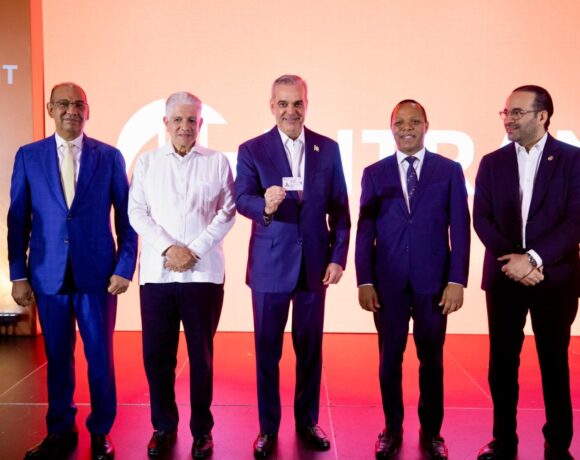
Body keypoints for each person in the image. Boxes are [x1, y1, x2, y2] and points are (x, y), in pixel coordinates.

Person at [7, 82, 138, 460]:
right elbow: (18, 220)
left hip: (98, 277)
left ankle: (101, 432)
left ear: (88, 110)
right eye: (63, 104)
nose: (71, 111)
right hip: (48, 275)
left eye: (79, 104)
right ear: (50, 109)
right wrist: (18, 274)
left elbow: (127, 219)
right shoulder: (29, 156)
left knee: (100, 357)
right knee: (57, 359)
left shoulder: (109, 157)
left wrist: (124, 267)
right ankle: (60, 430)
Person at [235, 74, 350, 458]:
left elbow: (341, 212)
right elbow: (242, 198)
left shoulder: (327, 149)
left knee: (310, 350)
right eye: (283, 103)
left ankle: (307, 421)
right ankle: (268, 428)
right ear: (272, 106)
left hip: (314, 268)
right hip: (269, 267)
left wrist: (337, 258)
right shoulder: (252, 149)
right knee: (267, 352)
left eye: (297, 103)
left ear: (306, 104)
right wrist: (264, 206)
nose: (290, 111)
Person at [355, 100, 470, 459]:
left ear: (426, 126)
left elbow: (460, 229)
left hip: (433, 285)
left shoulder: (449, 170)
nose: (407, 127)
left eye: (414, 121)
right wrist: (364, 280)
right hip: (387, 285)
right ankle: (392, 429)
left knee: (431, 360)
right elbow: (365, 231)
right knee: (389, 360)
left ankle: (432, 432)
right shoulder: (374, 173)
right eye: (399, 122)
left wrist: (457, 280)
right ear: (391, 128)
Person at [474, 85, 580, 460]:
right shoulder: (492, 162)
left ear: (542, 116)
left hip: (555, 278)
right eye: (506, 112)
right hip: (505, 278)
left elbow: (576, 220)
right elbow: (482, 218)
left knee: (554, 361)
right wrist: (514, 262)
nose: (509, 119)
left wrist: (533, 259)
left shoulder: (573, 160)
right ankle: (504, 440)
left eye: (517, 112)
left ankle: (558, 443)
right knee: (502, 363)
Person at [128, 91, 235, 459]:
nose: (185, 126)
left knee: (201, 358)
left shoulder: (217, 162)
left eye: (191, 120)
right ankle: (163, 426)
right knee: (157, 357)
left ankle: (202, 431)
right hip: (158, 276)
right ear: (166, 123)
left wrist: (194, 250)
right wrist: (169, 249)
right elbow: (137, 212)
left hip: (203, 275)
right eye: (178, 120)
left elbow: (228, 212)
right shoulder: (147, 163)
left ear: (200, 123)